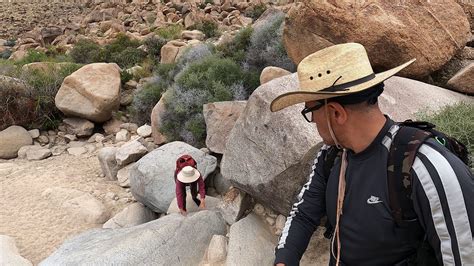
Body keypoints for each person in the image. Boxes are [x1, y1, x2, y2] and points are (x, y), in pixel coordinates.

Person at [270, 43, 473, 265]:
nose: (312, 121)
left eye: (310, 111)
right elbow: (303, 214)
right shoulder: (332, 156)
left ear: (335, 113)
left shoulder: (426, 166)